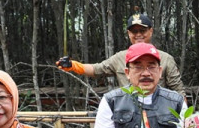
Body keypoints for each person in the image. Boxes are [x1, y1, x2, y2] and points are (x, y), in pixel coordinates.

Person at [56, 12, 184, 92]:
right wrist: (73, 66)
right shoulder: (120, 58)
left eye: (142, 31)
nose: (138, 34)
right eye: (134, 31)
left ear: (150, 31)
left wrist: (185, 122)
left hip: (158, 113)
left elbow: (178, 90)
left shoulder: (165, 58)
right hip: (128, 114)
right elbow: (97, 69)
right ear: (129, 34)